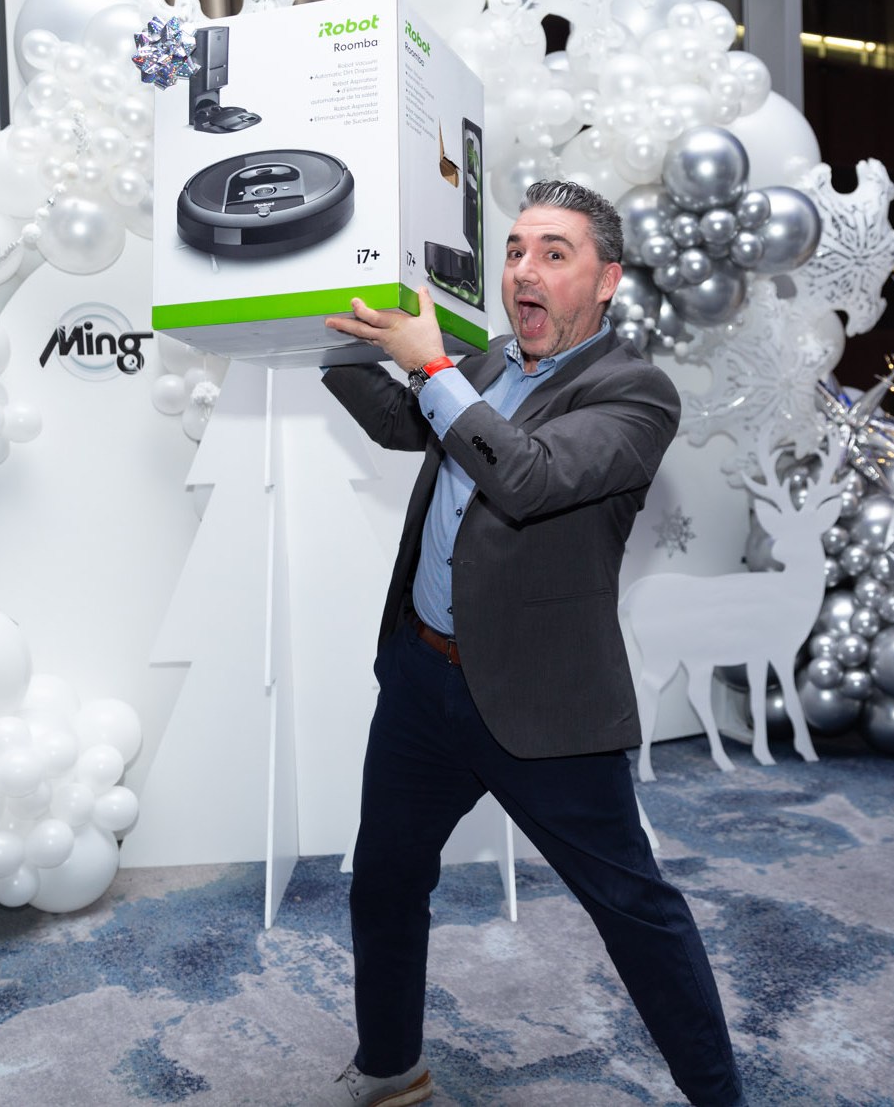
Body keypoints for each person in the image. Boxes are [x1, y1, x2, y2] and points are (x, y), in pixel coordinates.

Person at [318, 179, 745, 1107]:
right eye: (515, 251)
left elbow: (527, 476)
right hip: (422, 682)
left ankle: (721, 1098)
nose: (524, 271)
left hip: (544, 705)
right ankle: (392, 1069)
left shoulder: (634, 391)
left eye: (554, 253)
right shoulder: (483, 362)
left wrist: (433, 371)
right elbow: (400, 421)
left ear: (606, 281)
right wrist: (325, 327)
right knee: (386, 879)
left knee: (634, 909)